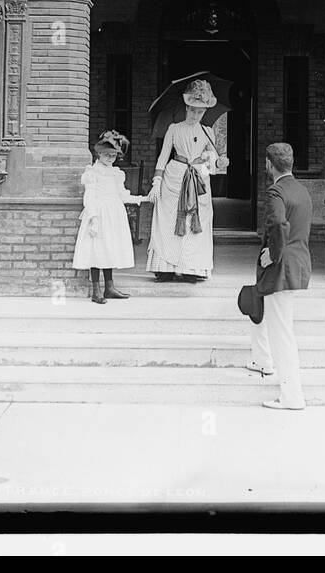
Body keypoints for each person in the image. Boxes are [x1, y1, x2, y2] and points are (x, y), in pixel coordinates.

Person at [247, 142, 312, 410]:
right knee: (264, 314)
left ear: (269, 165)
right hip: (297, 265)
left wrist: (272, 254)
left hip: (281, 268)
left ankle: (292, 397)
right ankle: (261, 360)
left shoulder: (276, 191)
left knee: (282, 333)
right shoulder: (302, 190)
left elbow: (278, 226)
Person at [147, 78, 228, 281]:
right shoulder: (174, 128)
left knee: (195, 220)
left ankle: (192, 268)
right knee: (170, 220)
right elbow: (163, 156)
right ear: (186, 107)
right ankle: (166, 266)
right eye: (192, 110)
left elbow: (212, 162)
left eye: (200, 112)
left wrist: (219, 163)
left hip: (198, 178)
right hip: (175, 176)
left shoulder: (207, 132)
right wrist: (157, 181)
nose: (195, 115)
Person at [72, 129, 152, 304]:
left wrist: (142, 199)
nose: (110, 158)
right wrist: (93, 217)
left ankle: (110, 287)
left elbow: (122, 194)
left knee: (108, 249)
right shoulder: (92, 172)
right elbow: (89, 196)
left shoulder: (116, 173)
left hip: (114, 213)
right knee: (96, 249)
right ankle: (96, 289)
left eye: (113, 155)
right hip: (99, 213)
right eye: (107, 155)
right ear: (99, 154)